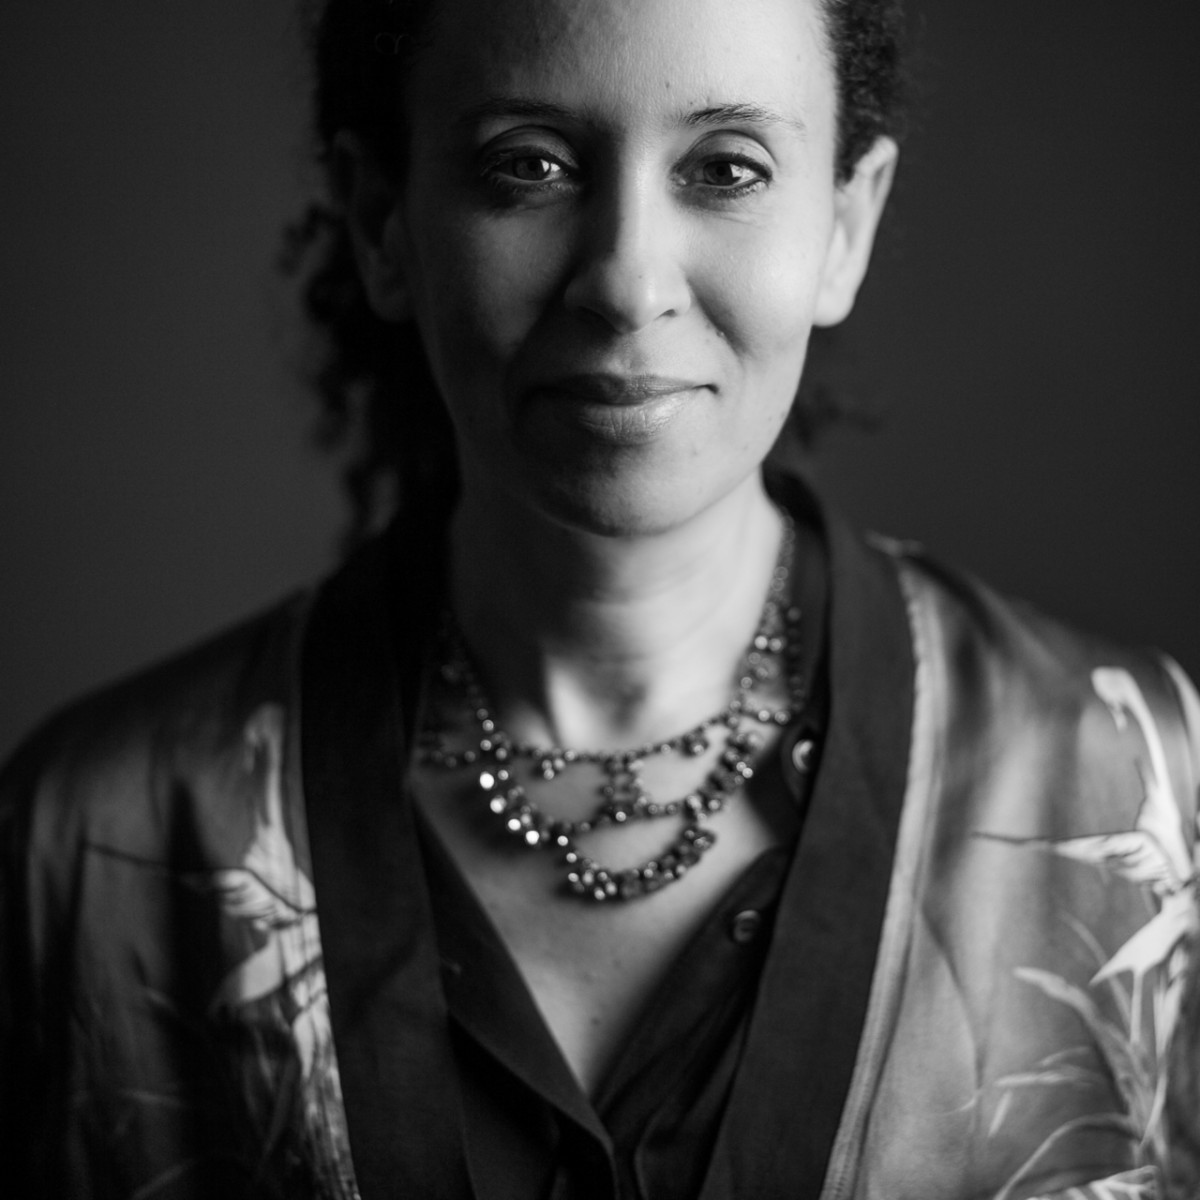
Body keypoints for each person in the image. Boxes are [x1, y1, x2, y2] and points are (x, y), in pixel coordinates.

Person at [2, 0, 1198, 1196]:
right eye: (528, 165)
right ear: (382, 223)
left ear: (845, 223)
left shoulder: (1139, 786)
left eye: (727, 169)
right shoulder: (98, 845)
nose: (628, 282)